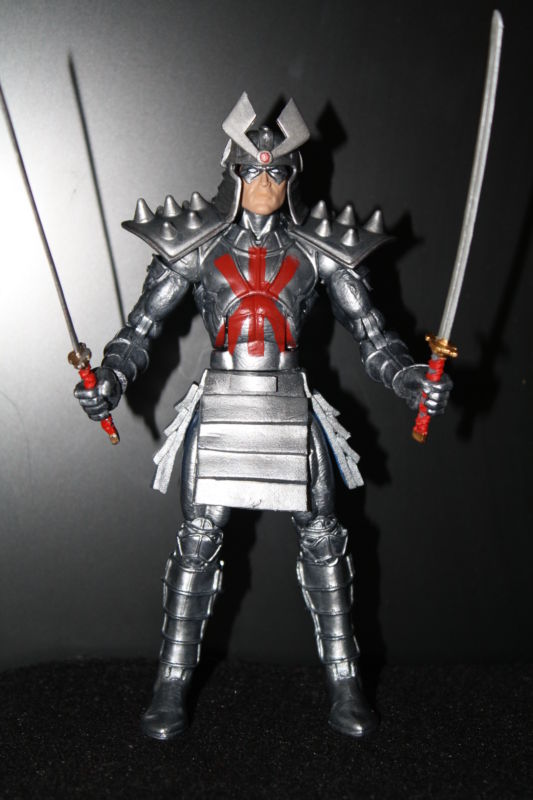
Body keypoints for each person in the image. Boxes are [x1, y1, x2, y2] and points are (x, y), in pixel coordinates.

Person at [75, 93, 451, 740]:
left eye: (278, 171)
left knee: (323, 534)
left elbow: (373, 337)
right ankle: (171, 680)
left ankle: (344, 679)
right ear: (232, 171)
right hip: (221, 401)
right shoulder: (195, 247)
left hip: (290, 401)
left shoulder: (319, 251)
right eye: (253, 169)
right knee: (198, 537)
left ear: (293, 176)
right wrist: (109, 378)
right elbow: (141, 331)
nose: (265, 181)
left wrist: (411, 379)